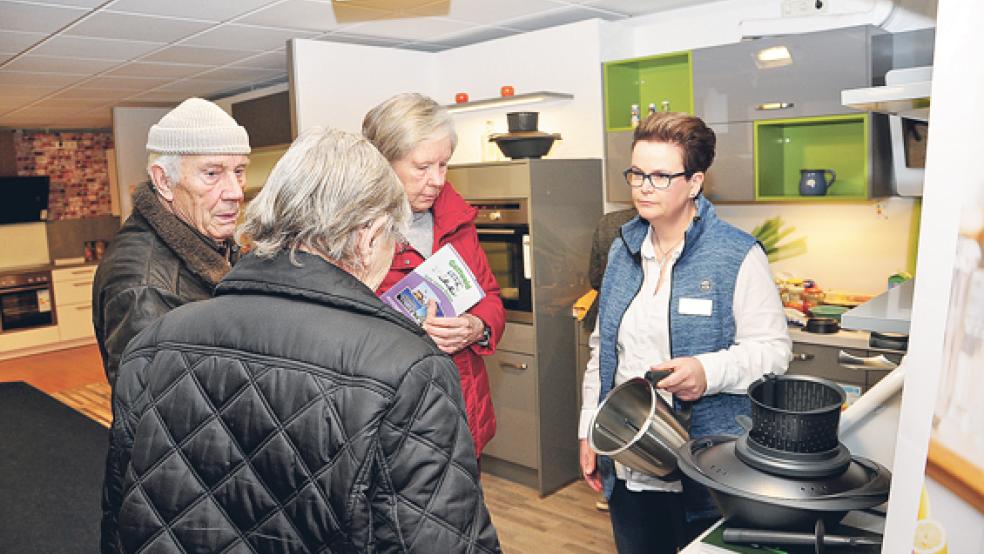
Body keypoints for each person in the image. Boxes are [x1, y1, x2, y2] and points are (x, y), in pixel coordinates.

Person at [101, 127, 501, 553]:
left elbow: (121, 511)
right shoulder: (409, 369)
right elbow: (439, 539)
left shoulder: (155, 341)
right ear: (368, 237)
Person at [578, 112, 791, 553]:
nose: (643, 187)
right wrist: (589, 429)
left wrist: (706, 371)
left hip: (709, 470)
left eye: (660, 176)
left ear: (694, 182)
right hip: (631, 459)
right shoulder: (622, 251)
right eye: (636, 174)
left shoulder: (736, 255)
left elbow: (773, 351)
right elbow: (603, 351)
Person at [363, 93, 505, 458]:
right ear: (382, 163)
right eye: (423, 167)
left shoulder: (456, 218)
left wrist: (477, 326)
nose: (437, 180)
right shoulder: (358, 234)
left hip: (464, 411)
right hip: (399, 419)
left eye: (444, 165)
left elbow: (490, 297)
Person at [92, 97, 250, 387]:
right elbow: (155, 403)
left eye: (238, 171)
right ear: (164, 181)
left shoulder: (214, 242)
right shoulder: (144, 287)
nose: (235, 192)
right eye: (212, 173)